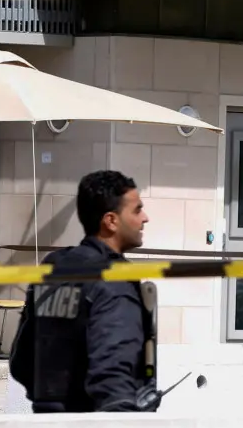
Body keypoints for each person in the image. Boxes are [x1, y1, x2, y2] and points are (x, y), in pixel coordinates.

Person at [9, 170, 159, 413]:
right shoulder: (113, 277)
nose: (145, 218)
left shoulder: (54, 267)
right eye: (137, 210)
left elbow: (21, 363)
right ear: (111, 220)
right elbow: (114, 375)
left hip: (45, 422)